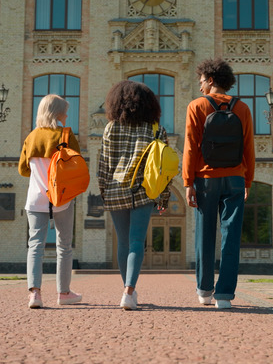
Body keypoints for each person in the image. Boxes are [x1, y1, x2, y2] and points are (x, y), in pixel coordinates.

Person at [183, 58, 255, 309]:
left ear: (211, 80)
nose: (200, 86)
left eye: (202, 81)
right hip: (235, 178)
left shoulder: (197, 106)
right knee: (231, 236)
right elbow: (248, 148)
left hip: (205, 179)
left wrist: (187, 182)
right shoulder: (243, 108)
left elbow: (191, 147)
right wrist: (247, 179)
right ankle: (224, 296)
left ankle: (204, 291)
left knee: (204, 235)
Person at [98, 80, 171, 310]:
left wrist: (103, 191)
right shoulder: (156, 129)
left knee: (123, 242)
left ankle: (127, 291)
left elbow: (104, 164)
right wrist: (164, 197)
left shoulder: (110, 127)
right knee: (137, 241)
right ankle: (129, 291)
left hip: (116, 190)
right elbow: (163, 168)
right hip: (144, 190)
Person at [18, 94, 83, 309]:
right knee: (64, 245)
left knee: (35, 244)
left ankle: (34, 294)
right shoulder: (66, 134)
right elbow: (76, 165)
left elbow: (23, 169)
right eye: (64, 109)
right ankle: (63, 293)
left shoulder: (32, 137)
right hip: (62, 196)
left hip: (36, 197)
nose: (67, 113)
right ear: (57, 112)